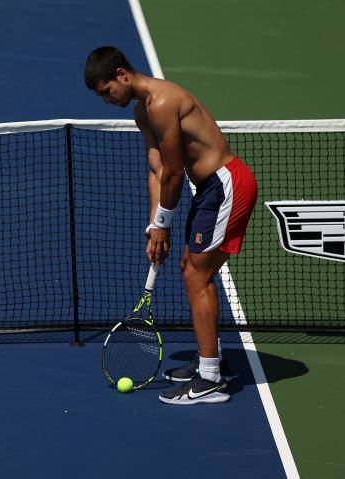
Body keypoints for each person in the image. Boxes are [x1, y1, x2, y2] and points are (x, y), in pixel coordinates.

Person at [84, 47, 257, 405]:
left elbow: (176, 173)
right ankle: (210, 358)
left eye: (106, 91)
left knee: (197, 276)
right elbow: (159, 171)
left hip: (226, 185)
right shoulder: (141, 112)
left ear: (121, 75)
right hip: (208, 190)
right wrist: (153, 227)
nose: (106, 100)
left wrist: (164, 225)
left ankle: (210, 379)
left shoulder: (162, 102)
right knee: (189, 269)